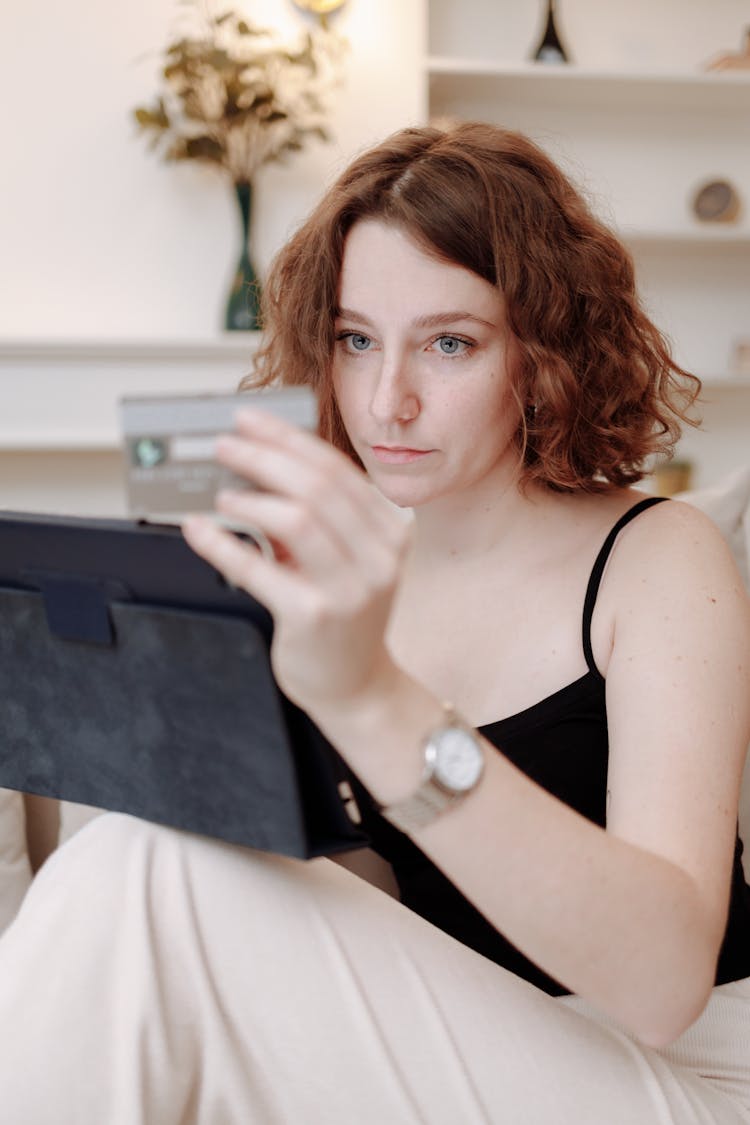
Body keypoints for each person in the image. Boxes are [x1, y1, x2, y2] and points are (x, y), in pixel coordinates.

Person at [1, 121, 749, 1124]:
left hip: (667, 1074)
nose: (388, 401)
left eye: (450, 343)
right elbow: (373, 904)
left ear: (546, 351)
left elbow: (664, 985)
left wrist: (375, 704)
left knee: (137, 867)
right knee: (140, 850)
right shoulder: (339, 571)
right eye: (356, 341)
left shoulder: (660, 556)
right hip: (441, 1047)